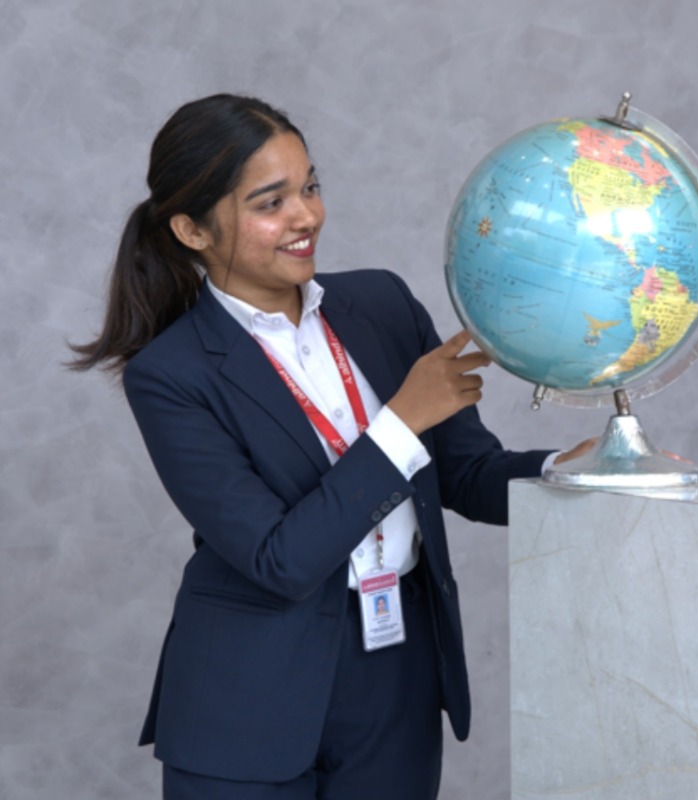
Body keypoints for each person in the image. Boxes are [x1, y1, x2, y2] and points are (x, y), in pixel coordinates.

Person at [71, 93, 585, 800]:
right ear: (192, 230)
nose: (306, 216)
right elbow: (278, 558)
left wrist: (567, 473)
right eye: (270, 202)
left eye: (310, 187)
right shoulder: (170, 375)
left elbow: (466, 472)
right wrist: (400, 423)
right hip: (248, 696)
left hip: (395, 674)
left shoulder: (382, 304)